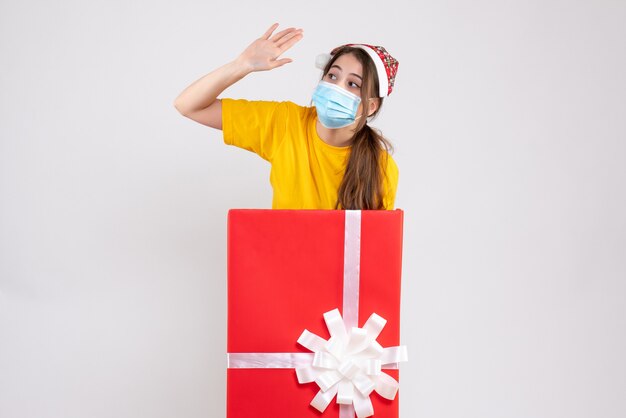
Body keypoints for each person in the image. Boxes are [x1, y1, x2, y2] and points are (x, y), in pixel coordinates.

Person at [174, 23, 399, 210]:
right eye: (332, 76)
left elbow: (372, 249)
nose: (336, 87)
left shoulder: (381, 167)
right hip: (284, 262)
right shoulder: (286, 122)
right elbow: (188, 105)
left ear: (370, 106)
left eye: (353, 84)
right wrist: (241, 66)